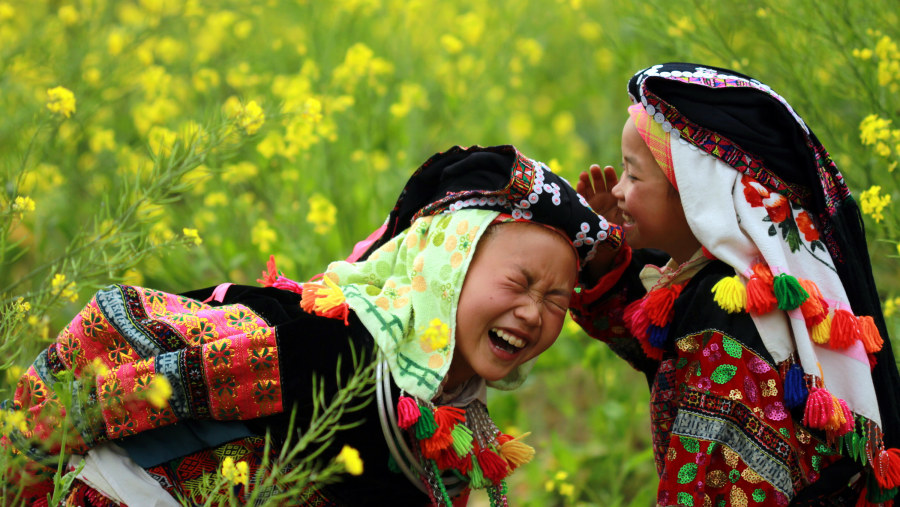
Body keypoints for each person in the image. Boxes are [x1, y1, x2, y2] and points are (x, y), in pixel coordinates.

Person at [3, 145, 622, 506]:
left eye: (557, 301)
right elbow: (126, 386)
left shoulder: (453, 418)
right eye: (519, 284)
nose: (534, 312)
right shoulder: (328, 341)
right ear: (443, 267)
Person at [572, 62, 900, 505]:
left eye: (632, 174)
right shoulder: (742, 282)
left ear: (694, 191)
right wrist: (609, 261)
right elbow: (653, 344)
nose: (617, 191)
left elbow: (705, 485)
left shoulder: (725, 321)